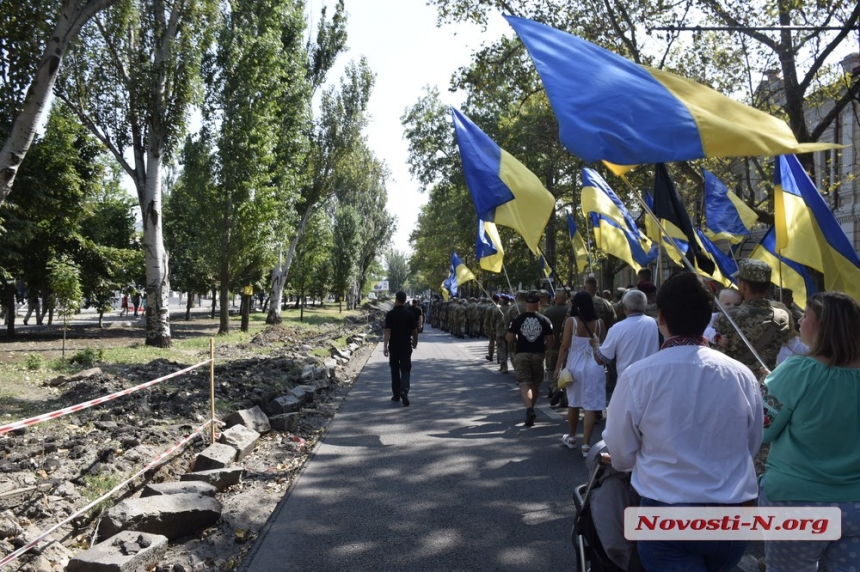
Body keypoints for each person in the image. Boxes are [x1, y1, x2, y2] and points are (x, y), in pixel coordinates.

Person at [603, 272, 762, 572]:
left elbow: (621, 453)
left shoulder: (638, 375)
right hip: (731, 517)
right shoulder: (741, 374)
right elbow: (751, 444)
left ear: (660, 316)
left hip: (667, 518)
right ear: (707, 316)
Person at [758, 292, 860, 572]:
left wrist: (766, 389)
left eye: (805, 316)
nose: (799, 321)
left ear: (822, 326)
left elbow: (762, 430)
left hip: (797, 504)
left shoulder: (797, 370)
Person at [554, 291, 606, 456]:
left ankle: (571, 437)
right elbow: (602, 346)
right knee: (590, 406)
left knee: (574, 403)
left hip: (575, 366)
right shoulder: (599, 323)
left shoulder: (572, 322)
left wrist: (557, 367)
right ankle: (586, 444)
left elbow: (564, 346)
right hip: (594, 366)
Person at [714, 259, 791, 373]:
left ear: (744, 285)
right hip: (767, 382)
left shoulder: (726, 317)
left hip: (737, 382)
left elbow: (717, 355)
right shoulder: (782, 316)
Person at [506, 291, 554, 427]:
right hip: (538, 354)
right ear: (538, 304)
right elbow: (551, 340)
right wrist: (544, 349)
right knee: (535, 383)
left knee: (524, 383)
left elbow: (509, 338)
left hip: (522, 354)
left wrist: (517, 338)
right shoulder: (545, 320)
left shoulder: (518, 319)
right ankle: (531, 408)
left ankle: (529, 409)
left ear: (526, 304)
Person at [589, 288, 659, 380]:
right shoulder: (654, 323)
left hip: (628, 382)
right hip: (651, 380)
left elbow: (601, 359)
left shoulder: (617, 329)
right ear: (644, 306)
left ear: (624, 306)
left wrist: (595, 345)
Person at [383, 291, 418, 406]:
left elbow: (387, 331)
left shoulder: (390, 314)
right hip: (405, 345)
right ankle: (404, 389)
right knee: (406, 368)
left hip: (393, 346)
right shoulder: (409, 314)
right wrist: (415, 342)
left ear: (396, 299)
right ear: (404, 300)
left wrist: (385, 346)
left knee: (394, 369)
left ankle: (397, 394)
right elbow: (414, 331)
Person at [543, 290, 570, 407]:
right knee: (565, 371)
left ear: (555, 298)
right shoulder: (570, 311)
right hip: (567, 346)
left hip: (552, 346)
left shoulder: (548, 311)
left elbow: (544, 329)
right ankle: (565, 394)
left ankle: (555, 389)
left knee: (551, 370)